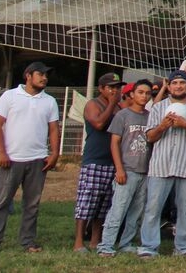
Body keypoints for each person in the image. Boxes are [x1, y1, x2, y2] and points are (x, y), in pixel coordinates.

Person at [0, 59, 61, 252]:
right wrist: (2, 152)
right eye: (40, 74)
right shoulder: (10, 96)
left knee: (32, 204)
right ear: (28, 76)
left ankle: (27, 241)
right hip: (11, 159)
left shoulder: (49, 101)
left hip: (38, 160)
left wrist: (54, 153)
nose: (44, 78)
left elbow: (54, 129)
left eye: (46, 75)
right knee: (2, 201)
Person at [138, 69, 186, 258]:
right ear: (168, 86)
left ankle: (182, 247)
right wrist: (162, 126)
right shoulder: (158, 107)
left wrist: (185, 124)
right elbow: (150, 137)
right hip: (161, 164)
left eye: (182, 83)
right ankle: (148, 247)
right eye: (174, 83)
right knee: (153, 208)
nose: (178, 86)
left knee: (185, 209)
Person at [96, 79, 154, 257]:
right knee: (118, 209)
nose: (144, 96)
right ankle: (106, 245)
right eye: (140, 92)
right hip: (127, 170)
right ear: (132, 94)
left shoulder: (151, 116)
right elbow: (114, 143)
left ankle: (126, 243)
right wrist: (119, 169)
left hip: (145, 171)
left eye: (147, 93)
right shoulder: (122, 115)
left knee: (136, 211)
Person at [74, 71, 123, 251]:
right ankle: (79, 241)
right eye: (111, 87)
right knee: (87, 202)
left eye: (117, 87)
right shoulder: (93, 104)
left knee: (104, 205)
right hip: (94, 160)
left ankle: (96, 240)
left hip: (112, 162)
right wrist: (111, 104)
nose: (115, 91)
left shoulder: (119, 108)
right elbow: (99, 124)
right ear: (101, 88)